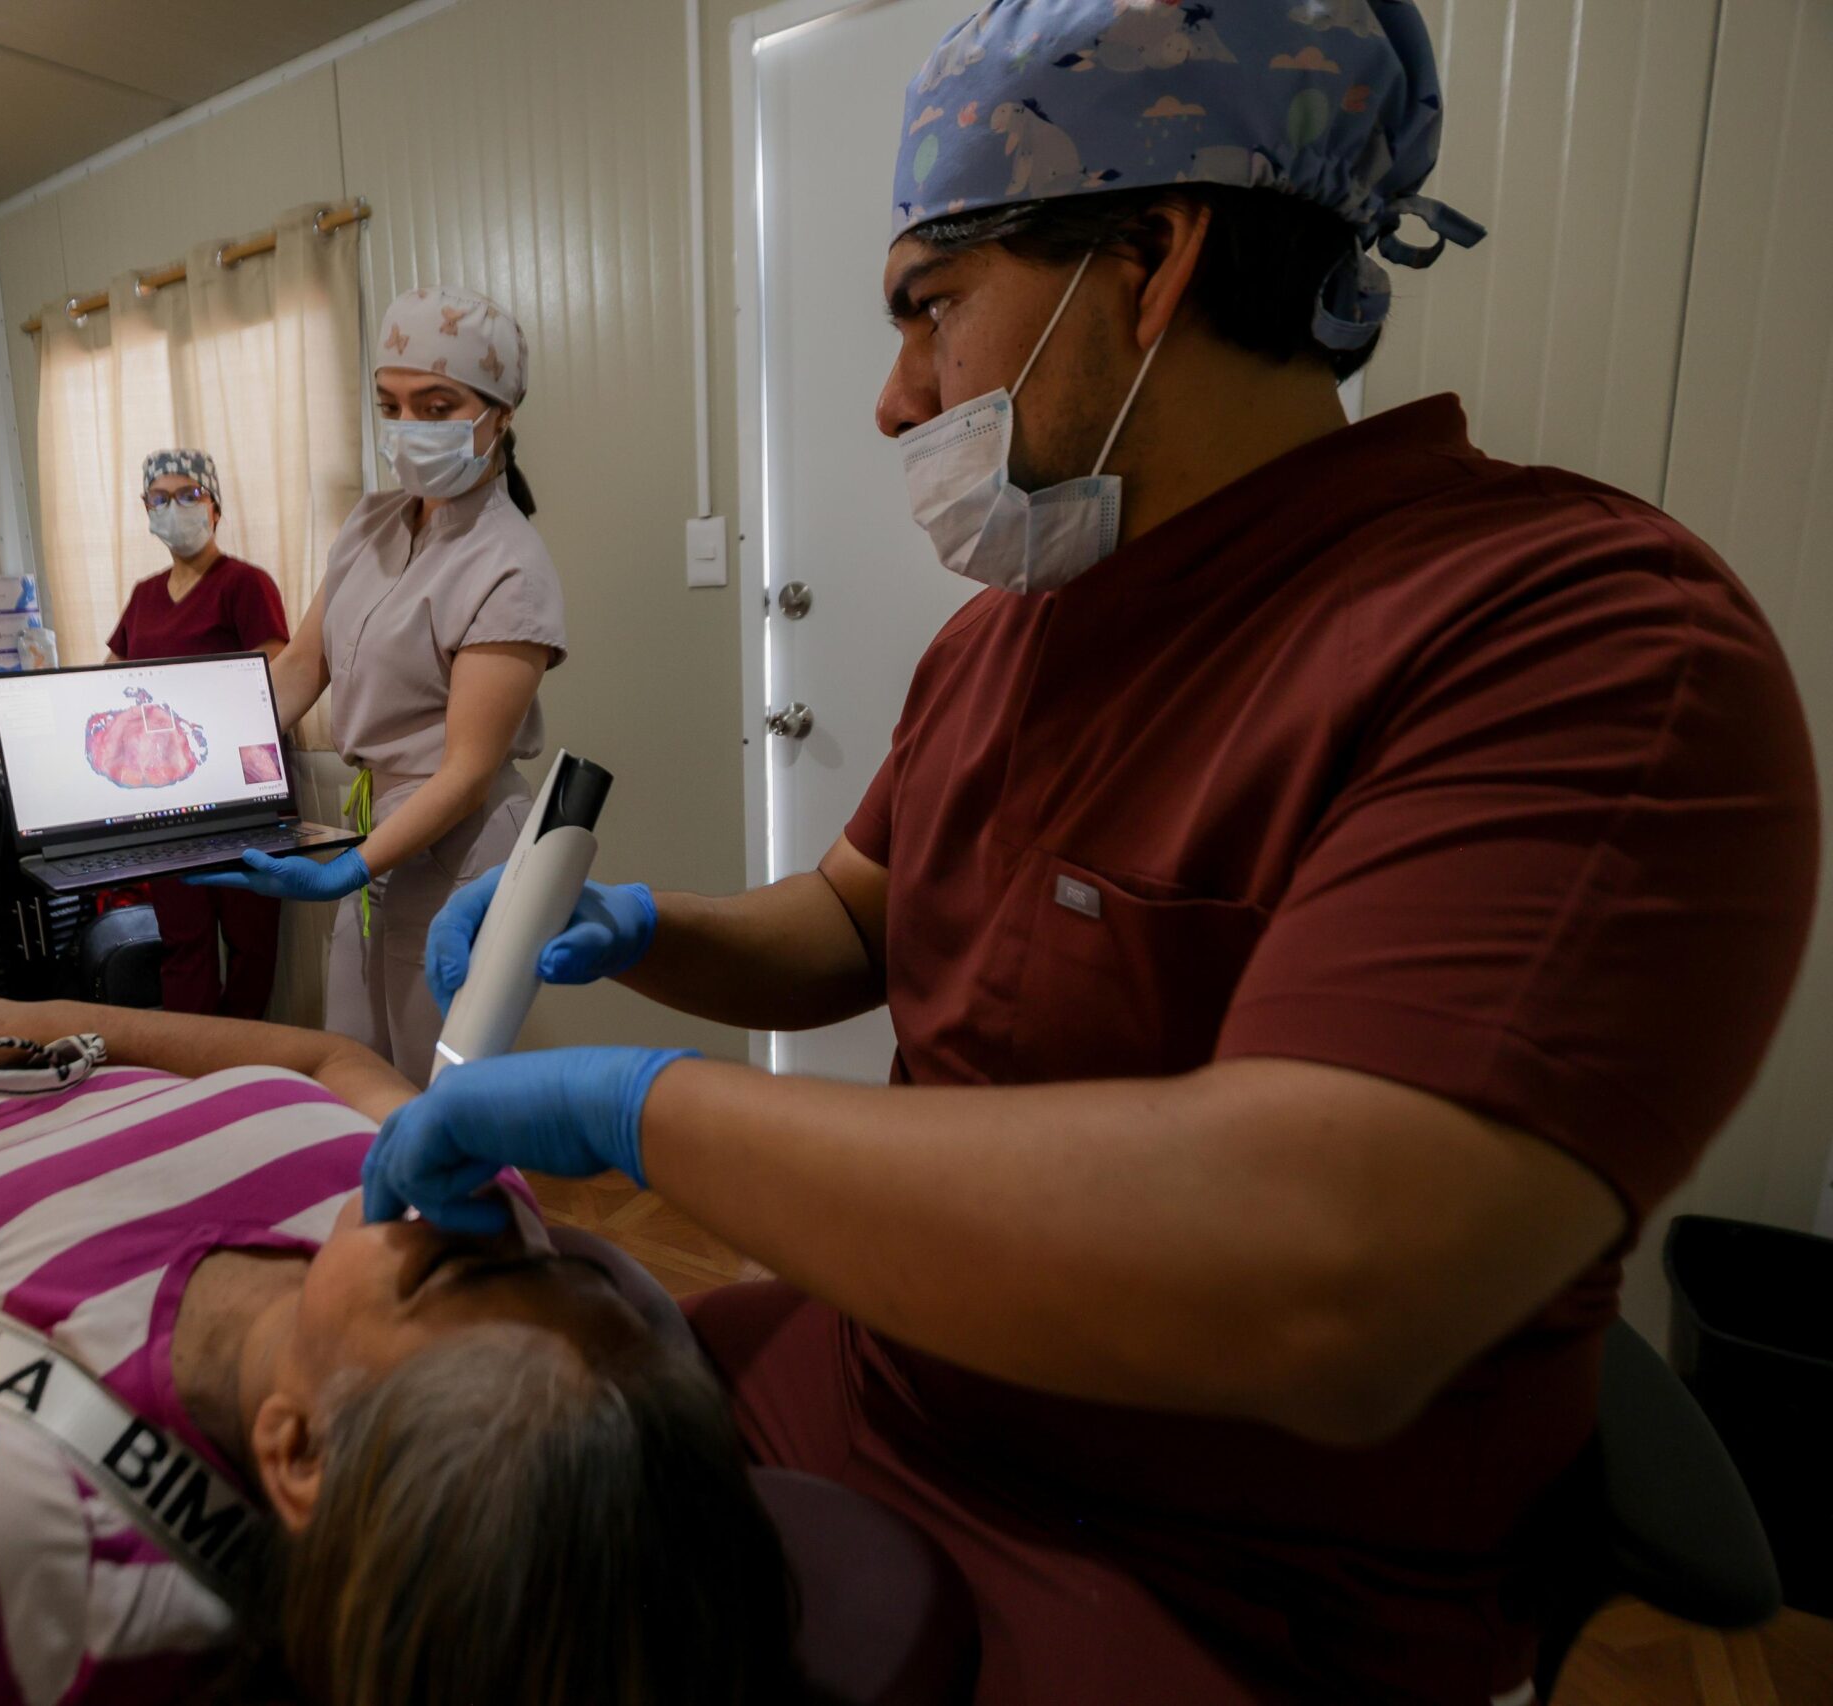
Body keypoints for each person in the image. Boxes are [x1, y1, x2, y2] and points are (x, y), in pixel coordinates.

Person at [365, 6, 1821, 1703]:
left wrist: (643, 1114)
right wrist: (634, 931)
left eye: (930, 308)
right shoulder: (1003, 642)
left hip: (1212, 1573)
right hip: (890, 1373)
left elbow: (1319, 1278)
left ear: (1149, 254)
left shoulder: (1575, 642)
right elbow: (857, 917)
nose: (897, 393)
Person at [0, 988, 809, 1706]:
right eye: (554, 1258)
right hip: (16, 1065)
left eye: (446, 1263)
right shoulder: (496, 1264)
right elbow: (325, 1055)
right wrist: (12, 1015)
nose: (465, 1211)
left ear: (297, 1450)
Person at [187, 288, 566, 1080]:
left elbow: (464, 774)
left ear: (500, 411)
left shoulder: (510, 565)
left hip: (460, 840)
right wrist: (196, 768)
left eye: (438, 405)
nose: (410, 427)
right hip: (379, 827)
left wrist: (347, 869)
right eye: (391, 405)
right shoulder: (373, 523)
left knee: (439, 1094)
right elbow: (300, 665)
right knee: (356, 1070)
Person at [108, 448, 292, 1020]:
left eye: (189, 494)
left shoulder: (244, 584)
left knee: (250, 939)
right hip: (166, 794)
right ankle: (193, 1070)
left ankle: (239, 1064)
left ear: (214, 506)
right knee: (183, 942)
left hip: (244, 787)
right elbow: (109, 684)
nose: (175, 508)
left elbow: (278, 678)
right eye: (160, 498)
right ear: (145, 509)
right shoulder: (143, 596)